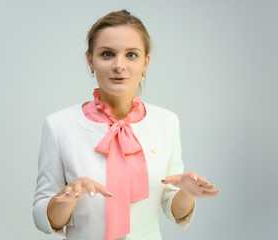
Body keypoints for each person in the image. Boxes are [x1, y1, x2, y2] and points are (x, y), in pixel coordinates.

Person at [32, 9, 220, 240]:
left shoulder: (167, 122)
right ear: (91, 60)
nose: (119, 65)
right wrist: (67, 196)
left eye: (131, 55)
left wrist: (187, 193)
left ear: (145, 62)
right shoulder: (59, 125)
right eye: (107, 54)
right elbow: (43, 218)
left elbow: (174, 209)